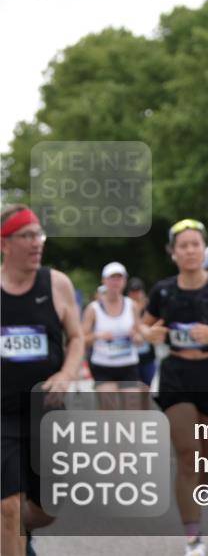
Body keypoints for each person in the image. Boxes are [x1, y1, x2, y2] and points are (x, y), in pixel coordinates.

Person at [138, 219, 208, 556]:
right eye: (182, 245)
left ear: (204, 250)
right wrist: (149, 334)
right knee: (186, 454)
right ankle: (192, 535)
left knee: (207, 459)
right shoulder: (163, 290)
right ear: (173, 253)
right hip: (177, 374)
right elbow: (142, 327)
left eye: (195, 244)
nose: (189, 250)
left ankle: (195, 507)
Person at [1, 205, 85, 556]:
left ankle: (17, 535)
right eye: (27, 236)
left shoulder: (57, 284)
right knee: (9, 507)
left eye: (40, 235)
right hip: (2, 412)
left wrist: (66, 374)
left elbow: (77, 338)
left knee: (46, 509)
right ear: (5, 244)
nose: (37, 243)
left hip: (47, 411)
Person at [81, 262, 145, 400]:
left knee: (132, 408)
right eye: (112, 278)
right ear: (104, 280)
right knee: (110, 409)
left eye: (119, 278)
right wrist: (97, 335)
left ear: (125, 281)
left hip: (128, 364)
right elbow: (80, 339)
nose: (116, 282)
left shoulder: (132, 306)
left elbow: (140, 337)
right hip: (103, 366)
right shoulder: (93, 309)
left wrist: (137, 337)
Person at [128, 277, 158, 387]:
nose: (136, 295)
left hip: (148, 355)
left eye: (138, 291)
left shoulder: (151, 308)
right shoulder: (124, 308)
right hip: (130, 356)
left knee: (146, 387)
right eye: (133, 292)